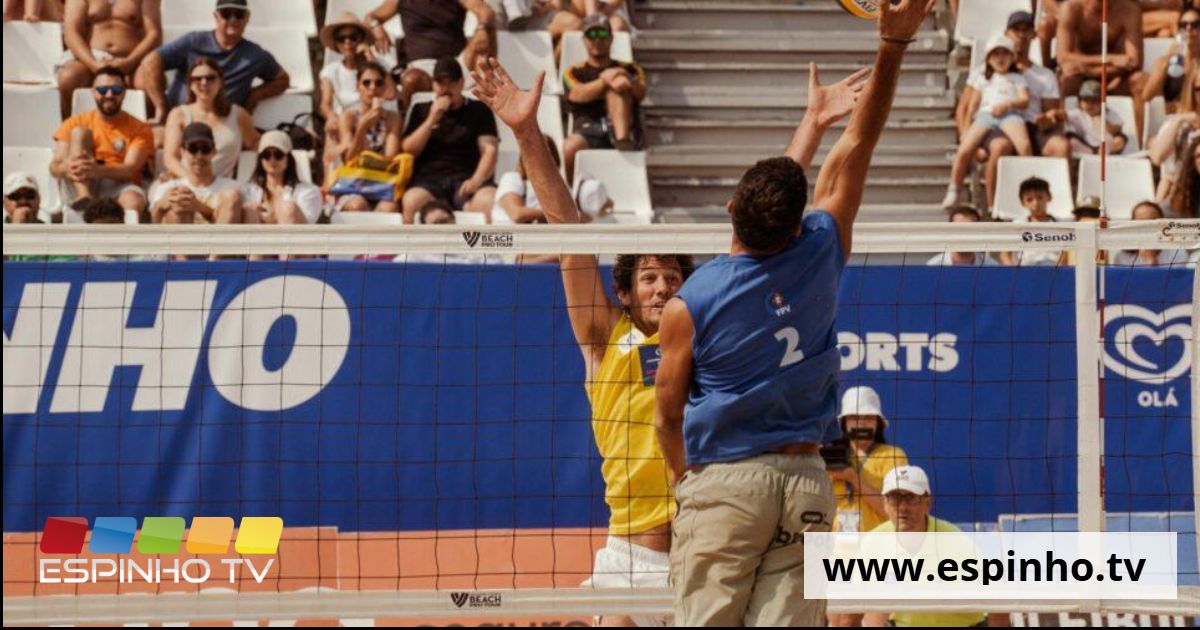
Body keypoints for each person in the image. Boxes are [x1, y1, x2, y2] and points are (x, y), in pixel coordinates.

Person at [653, 0, 932, 625]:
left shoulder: (693, 300)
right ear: (791, 221)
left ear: (731, 215)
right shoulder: (822, 246)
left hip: (725, 481)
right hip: (807, 478)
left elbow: (666, 416)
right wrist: (891, 44)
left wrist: (684, 483)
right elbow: (861, 141)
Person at [471, 56, 712, 626]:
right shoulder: (606, 335)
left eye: (673, 278)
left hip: (703, 551)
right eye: (649, 277)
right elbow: (567, 229)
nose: (662, 287)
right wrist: (527, 132)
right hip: (629, 556)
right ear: (625, 292)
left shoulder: (704, 342)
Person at [957, 12, 1070, 210]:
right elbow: (964, 108)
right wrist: (969, 141)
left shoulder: (1044, 75)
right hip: (997, 125)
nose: (1021, 35)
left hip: (1032, 126)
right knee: (1000, 147)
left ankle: (1057, 208)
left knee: (1061, 146)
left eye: (1026, 30)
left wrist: (1048, 119)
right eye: (1016, 30)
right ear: (1006, 33)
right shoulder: (984, 72)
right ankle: (995, 211)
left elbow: (1053, 113)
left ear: (1034, 35)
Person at [860, 465, 992, 628]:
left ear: (927, 502)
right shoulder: (873, 542)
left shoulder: (954, 540)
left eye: (910, 497)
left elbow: (997, 596)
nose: (903, 507)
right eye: (895, 498)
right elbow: (866, 610)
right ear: (885, 504)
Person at [139, 0, 289, 123]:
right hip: (182, 119)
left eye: (238, 14)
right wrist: (161, 107)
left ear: (247, 17)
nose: (233, 19)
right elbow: (151, 62)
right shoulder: (193, 42)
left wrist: (255, 95)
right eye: (226, 14)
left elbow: (282, 79)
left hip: (223, 124)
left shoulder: (255, 55)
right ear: (216, 16)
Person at [402, 56, 499, 222]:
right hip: (429, 182)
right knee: (411, 201)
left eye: (452, 82)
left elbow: (489, 150)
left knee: (489, 200)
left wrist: (476, 180)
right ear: (433, 84)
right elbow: (409, 149)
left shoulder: (479, 109)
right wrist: (432, 119)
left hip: (467, 178)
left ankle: (488, 248)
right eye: (441, 83)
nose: (446, 88)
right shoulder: (421, 110)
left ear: (461, 83)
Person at [50, 67, 153, 217]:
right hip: (77, 180)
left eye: (116, 90)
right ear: (93, 92)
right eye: (103, 89)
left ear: (124, 92)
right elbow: (55, 166)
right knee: (80, 133)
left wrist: (96, 169)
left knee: (133, 201)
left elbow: (130, 169)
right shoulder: (73, 123)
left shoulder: (139, 128)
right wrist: (68, 168)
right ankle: (84, 195)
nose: (109, 95)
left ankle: (126, 238)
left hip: (118, 183)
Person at [943, 35, 1031, 210]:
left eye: (1004, 54)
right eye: (995, 54)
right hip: (986, 115)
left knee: (1025, 146)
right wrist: (967, 128)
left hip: (1010, 115)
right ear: (988, 59)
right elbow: (973, 105)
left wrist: (1008, 104)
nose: (1000, 58)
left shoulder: (1017, 78)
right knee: (964, 149)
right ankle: (954, 188)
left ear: (1012, 57)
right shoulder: (983, 77)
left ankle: (1028, 184)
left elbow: (1024, 100)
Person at [366, 0, 496, 107]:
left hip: (457, 64)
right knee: (411, 79)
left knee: (488, 31)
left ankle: (489, 88)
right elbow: (369, 18)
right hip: (422, 69)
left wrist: (482, 28)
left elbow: (486, 12)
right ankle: (409, 125)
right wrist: (375, 27)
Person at [562, 13, 646, 179]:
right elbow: (577, 95)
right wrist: (606, 80)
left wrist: (622, 77)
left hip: (626, 129)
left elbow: (640, 92)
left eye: (602, 34)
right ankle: (572, 195)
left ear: (611, 38)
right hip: (589, 130)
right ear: (584, 39)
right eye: (591, 35)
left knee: (619, 87)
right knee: (569, 147)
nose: (597, 40)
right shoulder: (573, 71)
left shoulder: (630, 69)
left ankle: (622, 140)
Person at [319, 12, 394, 178]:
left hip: (372, 115)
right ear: (336, 43)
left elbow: (390, 93)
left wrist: (371, 60)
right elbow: (325, 103)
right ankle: (330, 185)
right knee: (332, 129)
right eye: (342, 38)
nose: (348, 42)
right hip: (344, 121)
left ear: (361, 39)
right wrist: (331, 116)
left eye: (353, 37)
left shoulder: (377, 63)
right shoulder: (331, 71)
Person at [56, 0, 161, 119]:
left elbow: (154, 34)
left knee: (146, 81)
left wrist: (130, 62)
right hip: (91, 58)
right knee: (69, 77)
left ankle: (148, 130)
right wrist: (93, 64)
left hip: (133, 60)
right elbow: (71, 33)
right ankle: (70, 127)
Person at [161, 58, 258, 181]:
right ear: (190, 85)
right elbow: (170, 158)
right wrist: (191, 180)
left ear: (220, 82)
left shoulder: (238, 115)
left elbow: (256, 143)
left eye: (210, 78)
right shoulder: (178, 115)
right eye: (197, 79)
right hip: (186, 183)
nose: (204, 82)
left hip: (223, 188)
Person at [830, 386, 909, 536]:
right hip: (834, 551)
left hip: (878, 550)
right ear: (844, 423)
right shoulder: (829, 458)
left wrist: (854, 479)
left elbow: (898, 513)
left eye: (868, 417)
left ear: (877, 423)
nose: (861, 423)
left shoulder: (893, 455)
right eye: (854, 418)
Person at [1057, 0, 1146, 129]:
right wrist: (1109, 58)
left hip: (1114, 78)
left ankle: (1140, 143)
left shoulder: (1129, 10)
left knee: (1141, 81)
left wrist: (1092, 71)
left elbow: (1134, 61)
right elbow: (1063, 56)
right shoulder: (1072, 8)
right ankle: (1067, 136)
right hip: (1081, 78)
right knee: (1068, 78)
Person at [334, 62, 404, 213]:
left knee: (389, 208)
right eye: (366, 83)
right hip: (353, 182)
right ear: (358, 86)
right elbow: (349, 158)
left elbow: (390, 157)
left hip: (381, 183)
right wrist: (362, 128)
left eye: (378, 83)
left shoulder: (393, 118)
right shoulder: (348, 117)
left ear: (384, 88)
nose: (373, 88)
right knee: (356, 206)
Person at [149, 122, 250, 224]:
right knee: (178, 205)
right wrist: (160, 206)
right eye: (193, 149)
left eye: (205, 149)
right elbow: (153, 227)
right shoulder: (167, 188)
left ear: (214, 151)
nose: (199, 156)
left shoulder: (233, 187)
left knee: (231, 196)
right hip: (180, 239)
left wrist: (198, 206)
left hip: (220, 238)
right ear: (182, 151)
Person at [243, 130, 323, 225]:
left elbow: (309, 225)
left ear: (288, 158)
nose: (272, 160)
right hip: (255, 237)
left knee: (288, 208)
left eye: (278, 154)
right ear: (261, 159)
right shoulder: (248, 190)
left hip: (294, 237)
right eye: (266, 155)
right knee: (249, 209)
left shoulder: (308, 191)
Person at [492, 134, 559, 224]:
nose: (540, 159)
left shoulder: (557, 186)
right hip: (508, 235)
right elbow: (516, 214)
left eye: (545, 154)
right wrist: (553, 214)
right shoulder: (512, 178)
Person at [1142, 8, 1200, 113]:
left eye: (1195, 24)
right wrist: (1168, 60)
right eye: (1183, 25)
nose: (1189, 28)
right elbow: (1146, 97)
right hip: (1175, 122)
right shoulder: (1166, 62)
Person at [1001, 176, 1065, 266]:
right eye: (1029, 199)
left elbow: (1066, 253)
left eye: (1040, 197)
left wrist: (1059, 271)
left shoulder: (1061, 224)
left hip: (1053, 270)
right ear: (1023, 202)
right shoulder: (1018, 224)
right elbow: (1005, 254)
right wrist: (1013, 273)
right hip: (1025, 271)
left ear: (1049, 197)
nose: (1035, 203)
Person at [1113, 201, 1196, 264]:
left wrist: (1151, 261)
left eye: (1153, 222)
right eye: (1142, 223)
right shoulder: (1122, 257)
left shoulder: (1177, 254)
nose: (1148, 228)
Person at [1066, 79, 1130, 155]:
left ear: (1102, 102)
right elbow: (1065, 115)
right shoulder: (1079, 113)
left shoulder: (1109, 113)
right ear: (1080, 102)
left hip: (1107, 144)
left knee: (1120, 139)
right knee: (1070, 139)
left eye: (1094, 101)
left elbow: (1118, 127)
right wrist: (1056, 114)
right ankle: (1090, 152)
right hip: (1087, 144)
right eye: (1086, 100)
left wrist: (1104, 123)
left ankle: (1104, 152)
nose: (1090, 104)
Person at [926, 207, 999, 266]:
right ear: (949, 232)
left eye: (970, 229)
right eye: (960, 229)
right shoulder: (934, 267)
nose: (965, 235)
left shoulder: (992, 267)